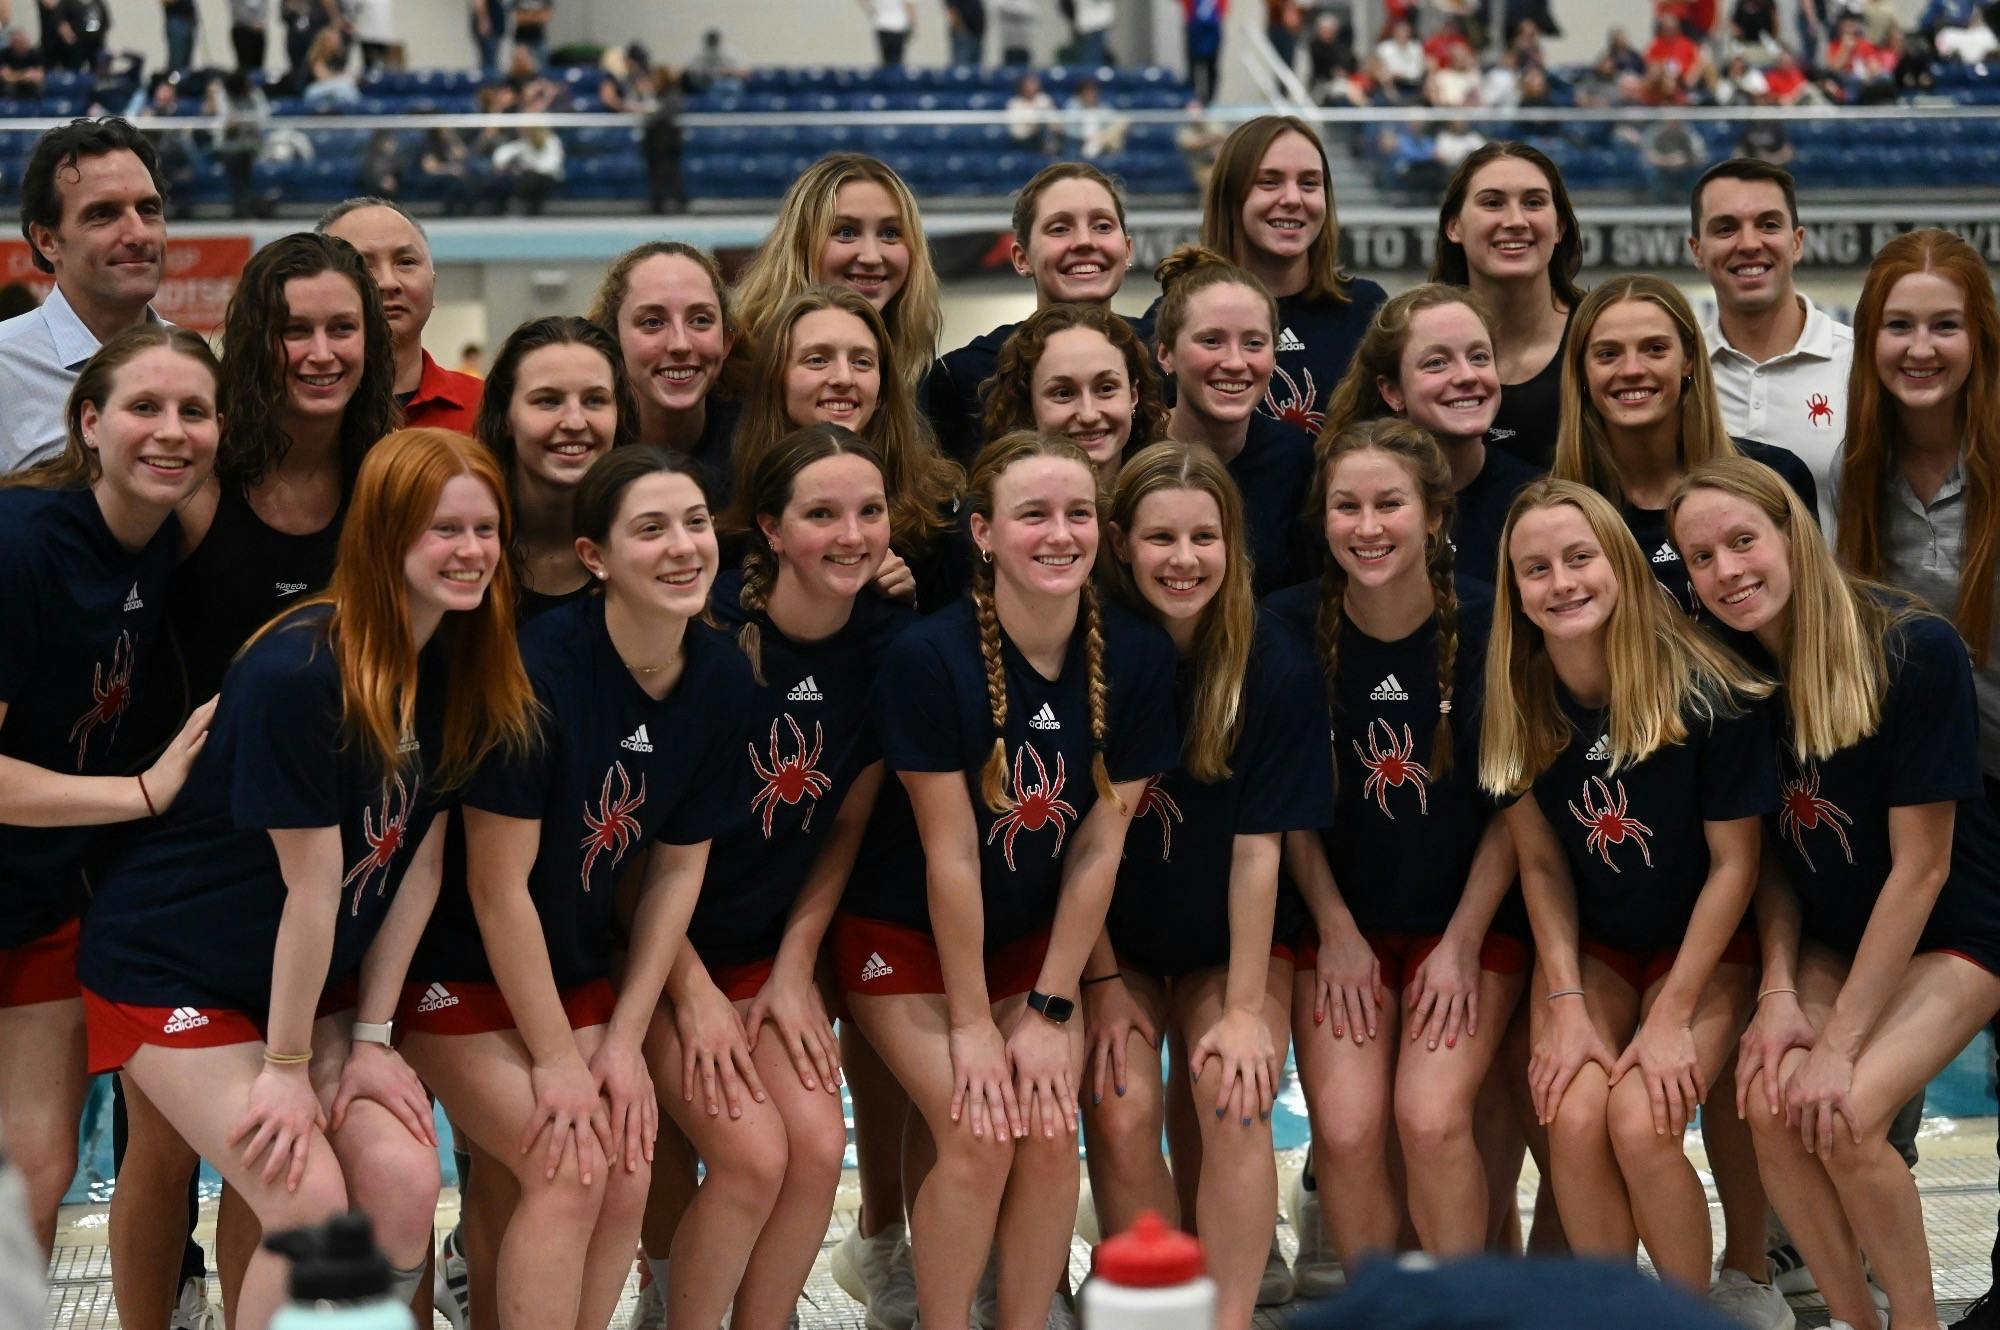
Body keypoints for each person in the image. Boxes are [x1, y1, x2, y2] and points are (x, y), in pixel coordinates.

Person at [79, 427, 539, 1330]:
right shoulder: (301, 671)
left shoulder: (455, 661)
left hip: (298, 980)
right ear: (384, 536)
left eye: (487, 530)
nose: (473, 552)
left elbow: (418, 862)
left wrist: (368, 1037)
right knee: (309, 1205)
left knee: (406, 1185)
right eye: (445, 530)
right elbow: (312, 889)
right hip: (171, 969)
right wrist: (290, 1066)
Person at [102, 232, 399, 1330]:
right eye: (294, 331)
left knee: (266, 1160)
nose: (319, 353)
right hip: (187, 867)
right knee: (161, 1149)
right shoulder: (203, 482)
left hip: (318, 869)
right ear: (253, 342)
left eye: (341, 329)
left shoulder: (384, 481)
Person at [833, 430, 1178, 1330]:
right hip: (902, 936)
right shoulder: (929, 659)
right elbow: (949, 855)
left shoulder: (1135, 658)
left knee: (1048, 1126)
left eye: (1077, 514)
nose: (1059, 534)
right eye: (1033, 515)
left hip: (1027, 941)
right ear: (982, 535)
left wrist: (1051, 1006)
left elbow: (1101, 848)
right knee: (980, 1132)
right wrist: (970, 1024)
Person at [399, 447, 743, 1330]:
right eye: (651, 530)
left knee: (624, 1166)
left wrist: (624, 1042)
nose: (682, 548)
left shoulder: (718, 677)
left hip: (569, 967)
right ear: (595, 557)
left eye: (696, 524)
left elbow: (673, 867)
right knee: (569, 1164)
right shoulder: (534, 674)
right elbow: (493, 887)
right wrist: (560, 1061)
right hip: (456, 970)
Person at [1669, 456, 2000, 1330]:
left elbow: (1922, 869)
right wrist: (1779, 993)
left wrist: (1840, 1045)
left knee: (1843, 1113)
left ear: (1793, 534)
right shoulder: (1734, 677)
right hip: (1830, 934)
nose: (1728, 570)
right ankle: (1855, 1320)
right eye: (1702, 559)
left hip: (1956, 929)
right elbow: (1772, 866)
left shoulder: (1908, 648)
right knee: (1768, 1102)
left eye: (1744, 541)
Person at [640, 425, 909, 1329]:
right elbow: (635, 847)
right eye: (822, 514)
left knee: (818, 1150)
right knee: (754, 1159)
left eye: (869, 512)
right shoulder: (706, 640)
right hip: (647, 950)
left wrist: (795, 968)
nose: (852, 535)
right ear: (771, 529)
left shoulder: (884, 646)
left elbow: (845, 827)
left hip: (762, 947)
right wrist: (690, 990)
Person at [1479, 477, 1776, 1295]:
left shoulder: (1707, 691)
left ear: (1620, 563)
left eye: (1580, 558)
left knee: (1641, 1126)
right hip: (1602, 948)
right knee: (1573, 1122)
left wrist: (1675, 1014)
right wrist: (1566, 1000)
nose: (1562, 582)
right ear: (1515, 590)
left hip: (1707, 946)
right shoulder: (1515, 697)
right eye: (1536, 569)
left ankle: (1690, 1312)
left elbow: (1736, 867)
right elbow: (1539, 863)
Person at [1265, 417, 1522, 1271]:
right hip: (1344, 927)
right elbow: (1285, 806)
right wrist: (1333, 929)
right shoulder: (1286, 628)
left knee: (1431, 1118)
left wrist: (1462, 943)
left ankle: (1461, 1312)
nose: (1367, 527)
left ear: (1435, 517)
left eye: (1389, 505)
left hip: (1470, 925)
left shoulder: (1495, 624)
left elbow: (1514, 812)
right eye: (1347, 507)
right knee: (1342, 1129)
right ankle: (1382, 1306)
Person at [1086, 440, 1328, 1329]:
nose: (1183, 560)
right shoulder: (1090, 655)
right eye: (1159, 538)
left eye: (1204, 536)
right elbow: (1080, 859)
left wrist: (1244, 1007)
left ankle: (1224, 1318)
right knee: (1118, 1105)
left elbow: (1260, 851)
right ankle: (1151, 1310)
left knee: (1233, 1092)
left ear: (1235, 544)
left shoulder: (1273, 665)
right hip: (1117, 940)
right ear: (1119, 544)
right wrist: (1104, 985)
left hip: (1232, 941)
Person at [0, 325, 221, 1259]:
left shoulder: (167, 538)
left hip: (45, 892)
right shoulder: (21, 545)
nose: (170, 431)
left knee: (36, 1169)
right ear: (89, 422)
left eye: (194, 411)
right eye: (143, 408)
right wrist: (140, 792)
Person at [1825, 229, 2000, 1329]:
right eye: (1898, 324)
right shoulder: (1851, 478)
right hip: (1929, 805)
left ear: (1978, 338)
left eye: (1943, 324)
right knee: (1886, 1061)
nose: (1919, 347)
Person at [1551, 274, 1816, 618]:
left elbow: (1817, 621)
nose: (1632, 369)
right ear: (1582, 371)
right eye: (1608, 354)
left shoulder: (1776, 478)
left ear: (1688, 359)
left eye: (1655, 349)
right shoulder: (1557, 514)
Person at [1157, 116, 1389, 444]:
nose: (1292, 198)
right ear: (1231, 195)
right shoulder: (1174, 317)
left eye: (1309, 183)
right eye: (1269, 182)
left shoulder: (1367, 309)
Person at [734, 285, 966, 612]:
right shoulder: (731, 505)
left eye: (862, 361)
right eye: (817, 360)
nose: (844, 378)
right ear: (777, 379)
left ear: (883, 387)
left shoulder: (934, 510)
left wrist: (910, 604)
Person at [1320, 284, 1539, 586]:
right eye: (1436, 363)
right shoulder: (1344, 497)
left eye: (1479, 357)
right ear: (1393, 391)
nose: (1467, 375)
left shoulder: (1534, 497)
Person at [925, 162, 1138, 467]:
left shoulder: (1160, 359)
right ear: (1021, 258)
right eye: (1060, 228)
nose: (1084, 241)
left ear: (1127, 250)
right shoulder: (964, 375)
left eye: (1102, 226)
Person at [1688, 162, 1852, 526]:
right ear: (1697, 250)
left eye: (1768, 224)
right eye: (1726, 228)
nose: (1748, 244)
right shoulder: (1680, 372)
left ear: (1796, 242)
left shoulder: (1859, 363)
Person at [0, 118, 167, 474]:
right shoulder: (5, 368)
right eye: (103, 214)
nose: (138, 234)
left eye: (148, 209)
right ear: (47, 241)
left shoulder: (200, 368)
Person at [1154, 245, 1309, 596]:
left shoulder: (1297, 459)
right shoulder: (1128, 452)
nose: (1236, 362)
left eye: (1254, 343)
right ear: (1166, 355)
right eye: (1211, 341)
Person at [1430, 142, 1584, 471]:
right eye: (1493, 203)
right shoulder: (1414, 338)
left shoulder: (1600, 331)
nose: (1515, 220)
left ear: (1559, 227)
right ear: (1454, 226)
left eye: (1533, 203)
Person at [732, 154, 943, 393]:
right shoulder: (739, 364)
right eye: (846, 232)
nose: (871, 257)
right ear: (801, 243)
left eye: (891, 233)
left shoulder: (917, 366)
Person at [477, 316, 637, 619]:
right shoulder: (466, 546)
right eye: (548, 401)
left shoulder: (650, 545)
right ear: (506, 417)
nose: (575, 422)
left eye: (594, 400)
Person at [320, 198, 484, 434]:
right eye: (363, 265)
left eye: (406, 262)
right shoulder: (294, 413)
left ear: (434, 285)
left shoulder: (488, 408)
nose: (388, 282)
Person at [587, 241, 740, 487]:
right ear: (613, 342)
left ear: (726, 342)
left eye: (700, 320)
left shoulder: (757, 450)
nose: (680, 344)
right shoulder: (583, 444)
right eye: (653, 322)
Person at [982, 303, 1170, 490]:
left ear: (1133, 395)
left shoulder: (1174, 497)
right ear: (1028, 404)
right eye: (1063, 393)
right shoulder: (994, 510)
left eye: (1106, 389)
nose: (1089, 415)